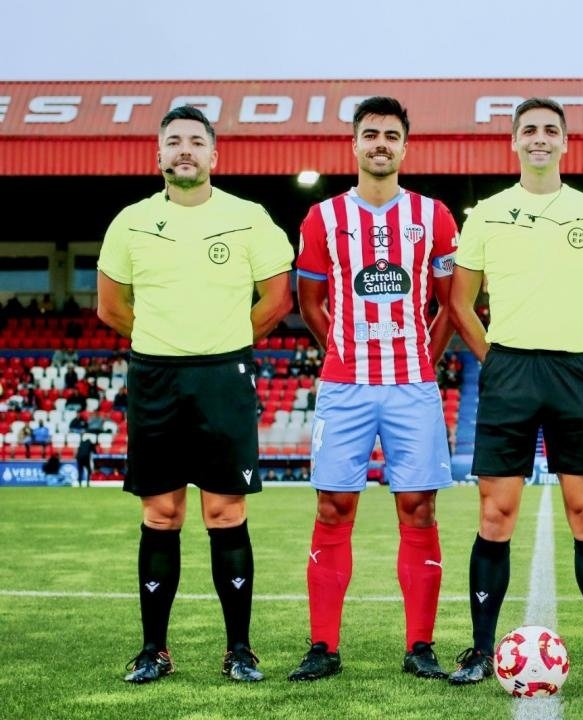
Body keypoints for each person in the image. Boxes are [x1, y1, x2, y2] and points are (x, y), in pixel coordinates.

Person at [97, 105, 294, 684]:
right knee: (161, 514)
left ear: (214, 155)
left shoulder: (249, 217)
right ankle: (153, 649)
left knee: (225, 510)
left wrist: (223, 342)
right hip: (155, 376)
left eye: (195, 142)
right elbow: (110, 306)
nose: (185, 150)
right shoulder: (129, 221)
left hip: (223, 376)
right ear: (158, 155)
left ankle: (239, 650)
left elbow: (277, 298)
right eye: (174, 141)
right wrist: (166, 340)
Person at [448, 97, 583, 685]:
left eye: (549, 130)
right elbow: (460, 302)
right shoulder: (485, 215)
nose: (539, 138)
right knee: (495, 514)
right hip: (509, 372)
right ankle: (481, 651)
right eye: (528, 129)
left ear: (564, 143)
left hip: (571, 374)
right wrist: (495, 360)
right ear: (514, 141)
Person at [288, 97, 458, 683]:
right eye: (370, 134)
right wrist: (339, 346)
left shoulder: (433, 216)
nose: (380, 143)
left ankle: (420, 646)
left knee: (419, 507)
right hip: (344, 385)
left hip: (413, 386)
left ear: (404, 146)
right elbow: (310, 303)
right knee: (334, 507)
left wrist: (424, 359)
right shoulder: (323, 218)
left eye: (390, 135)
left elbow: (451, 304)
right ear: (354, 144)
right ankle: (323, 647)